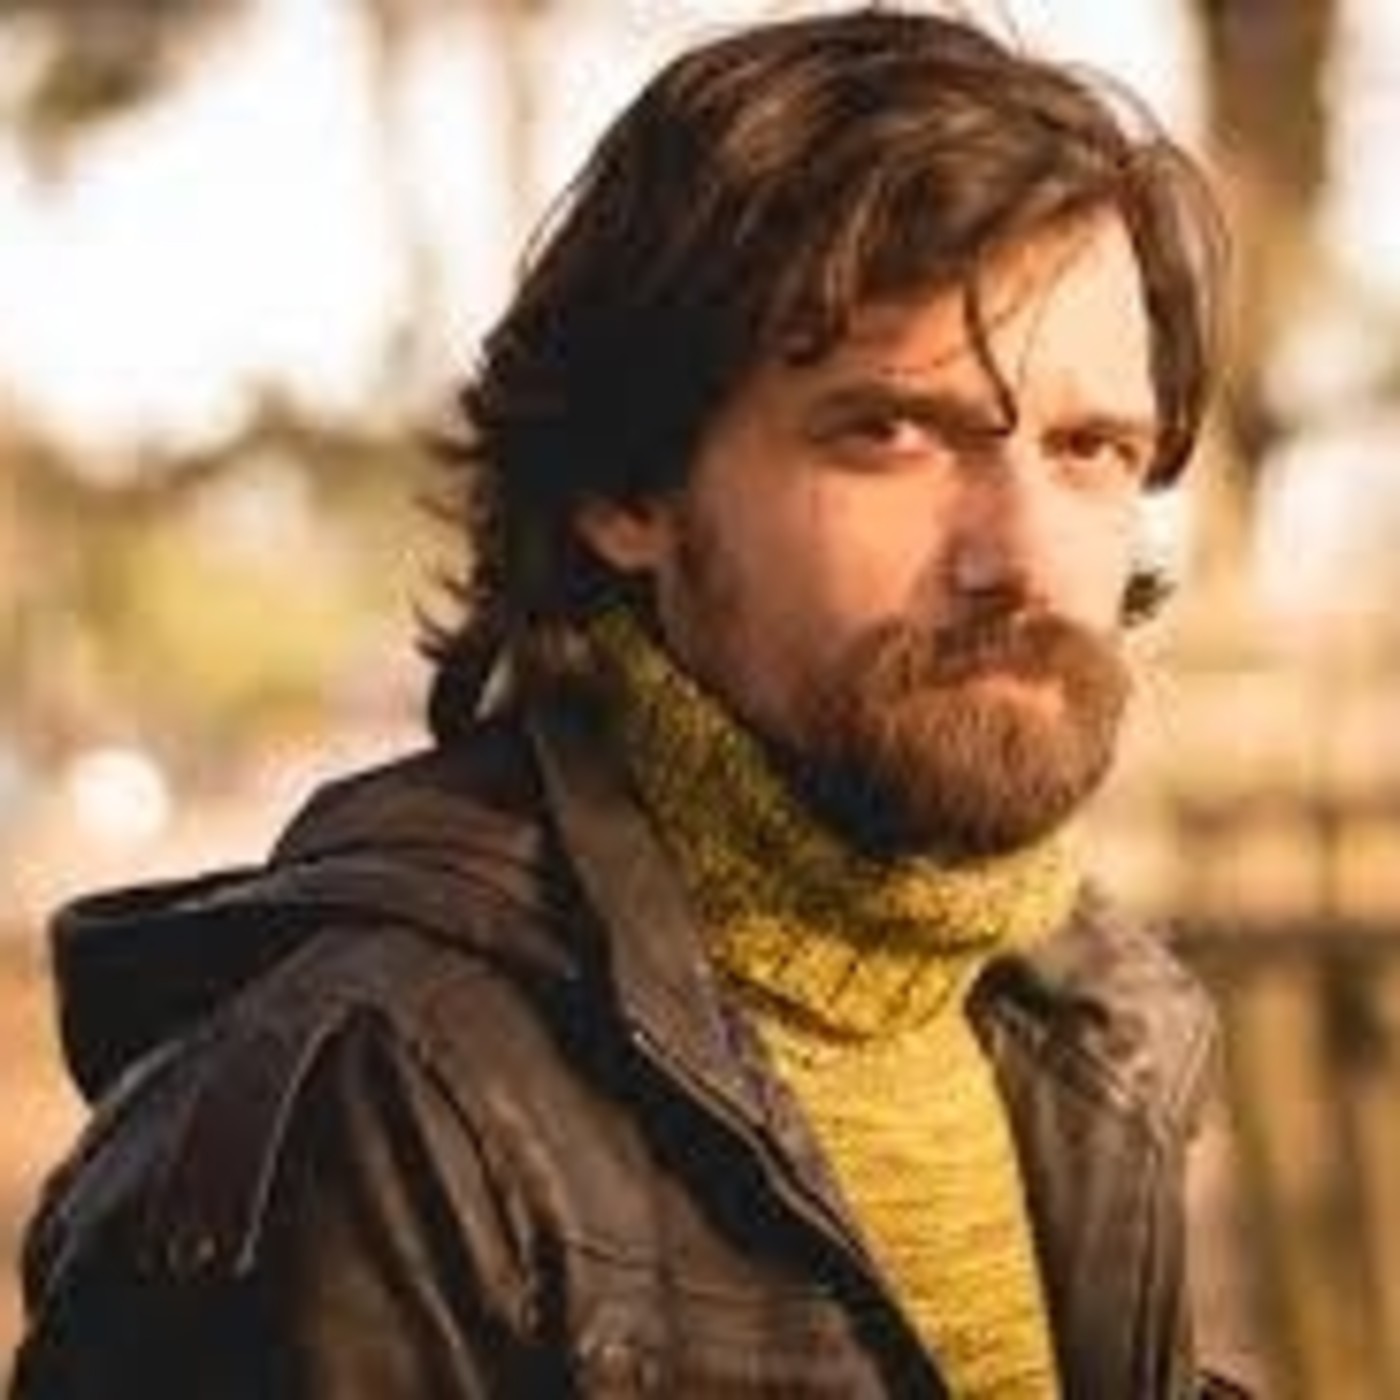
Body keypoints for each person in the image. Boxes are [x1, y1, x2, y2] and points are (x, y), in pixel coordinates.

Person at [11, 6, 1239, 1396]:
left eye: (1092, 448)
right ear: (627, 488)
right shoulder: (379, 1111)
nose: (1018, 554)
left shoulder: (1081, 1020)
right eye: (890, 431)